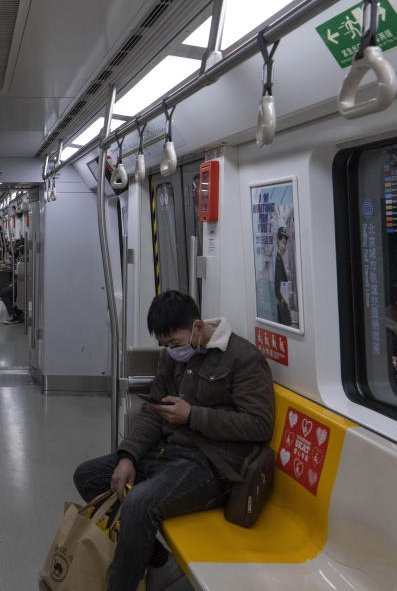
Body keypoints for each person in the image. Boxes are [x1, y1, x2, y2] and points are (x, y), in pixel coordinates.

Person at [72, 290, 274, 591]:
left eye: (175, 343)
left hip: (212, 465)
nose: (171, 350)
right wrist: (128, 456)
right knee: (90, 476)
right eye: (164, 344)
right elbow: (155, 412)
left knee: (138, 503)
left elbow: (259, 425)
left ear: (197, 326)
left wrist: (192, 415)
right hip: (167, 453)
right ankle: (159, 561)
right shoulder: (171, 358)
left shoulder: (243, 359)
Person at [274, 227, 292, 326]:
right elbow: (278, 286)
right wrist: (284, 304)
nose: (284, 246)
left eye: (285, 244)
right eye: (282, 243)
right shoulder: (277, 260)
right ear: (277, 241)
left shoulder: (279, 258)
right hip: (281, 304)